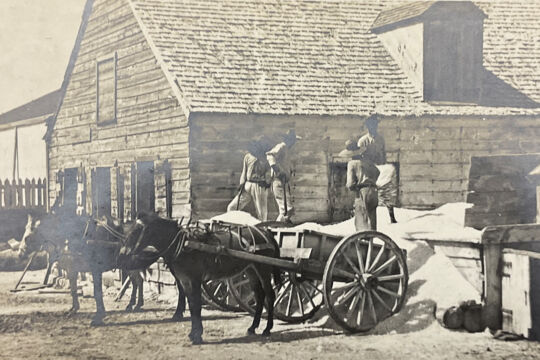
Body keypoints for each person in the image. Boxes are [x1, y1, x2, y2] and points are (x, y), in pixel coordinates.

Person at [357, 113, 398, 224]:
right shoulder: (363, 141)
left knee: (387, 190)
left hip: (380, 167)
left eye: (375, 125)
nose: (373, 127)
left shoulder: (380, 139)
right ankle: (367, 219)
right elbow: (359, 158)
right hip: (369, 169)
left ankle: (391, 216)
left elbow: (383, 154)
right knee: (368, 195)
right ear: (367, 126)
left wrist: (383, 167)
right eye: (371, 125)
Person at [227, 138, 271, 221]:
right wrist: (241, 184)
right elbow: (244, 171)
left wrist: (267, 181)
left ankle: (262, 230)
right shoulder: (248, 156)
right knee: (232, 207)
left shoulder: (266, 157)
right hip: (247, 185)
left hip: (259, 186)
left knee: (261, 213)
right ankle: (232, 225)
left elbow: (270, 172)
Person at [266, 129, 300, 223]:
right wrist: (278, 171)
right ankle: (277, 227)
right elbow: (270, 156)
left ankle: (282, 226)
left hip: (284, 182)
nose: (294, 143)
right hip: (278, 181)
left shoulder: (287, 149)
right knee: (286, 209)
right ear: (289, 140)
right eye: (293, 140)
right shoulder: (281, 146)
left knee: (287, 210)